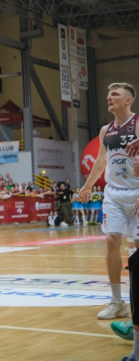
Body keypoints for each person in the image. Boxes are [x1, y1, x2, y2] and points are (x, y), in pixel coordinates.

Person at [78, 83, 139, 334]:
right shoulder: (106, 130)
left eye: (115, 94)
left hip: (137, 193)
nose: (108, 97)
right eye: (108, 94)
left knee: (136, 251)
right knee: (111, 241)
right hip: (113, 194)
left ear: (128, 100)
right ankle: (117, 303)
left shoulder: (137, 123)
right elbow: (101, 161)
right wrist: (86, 186)